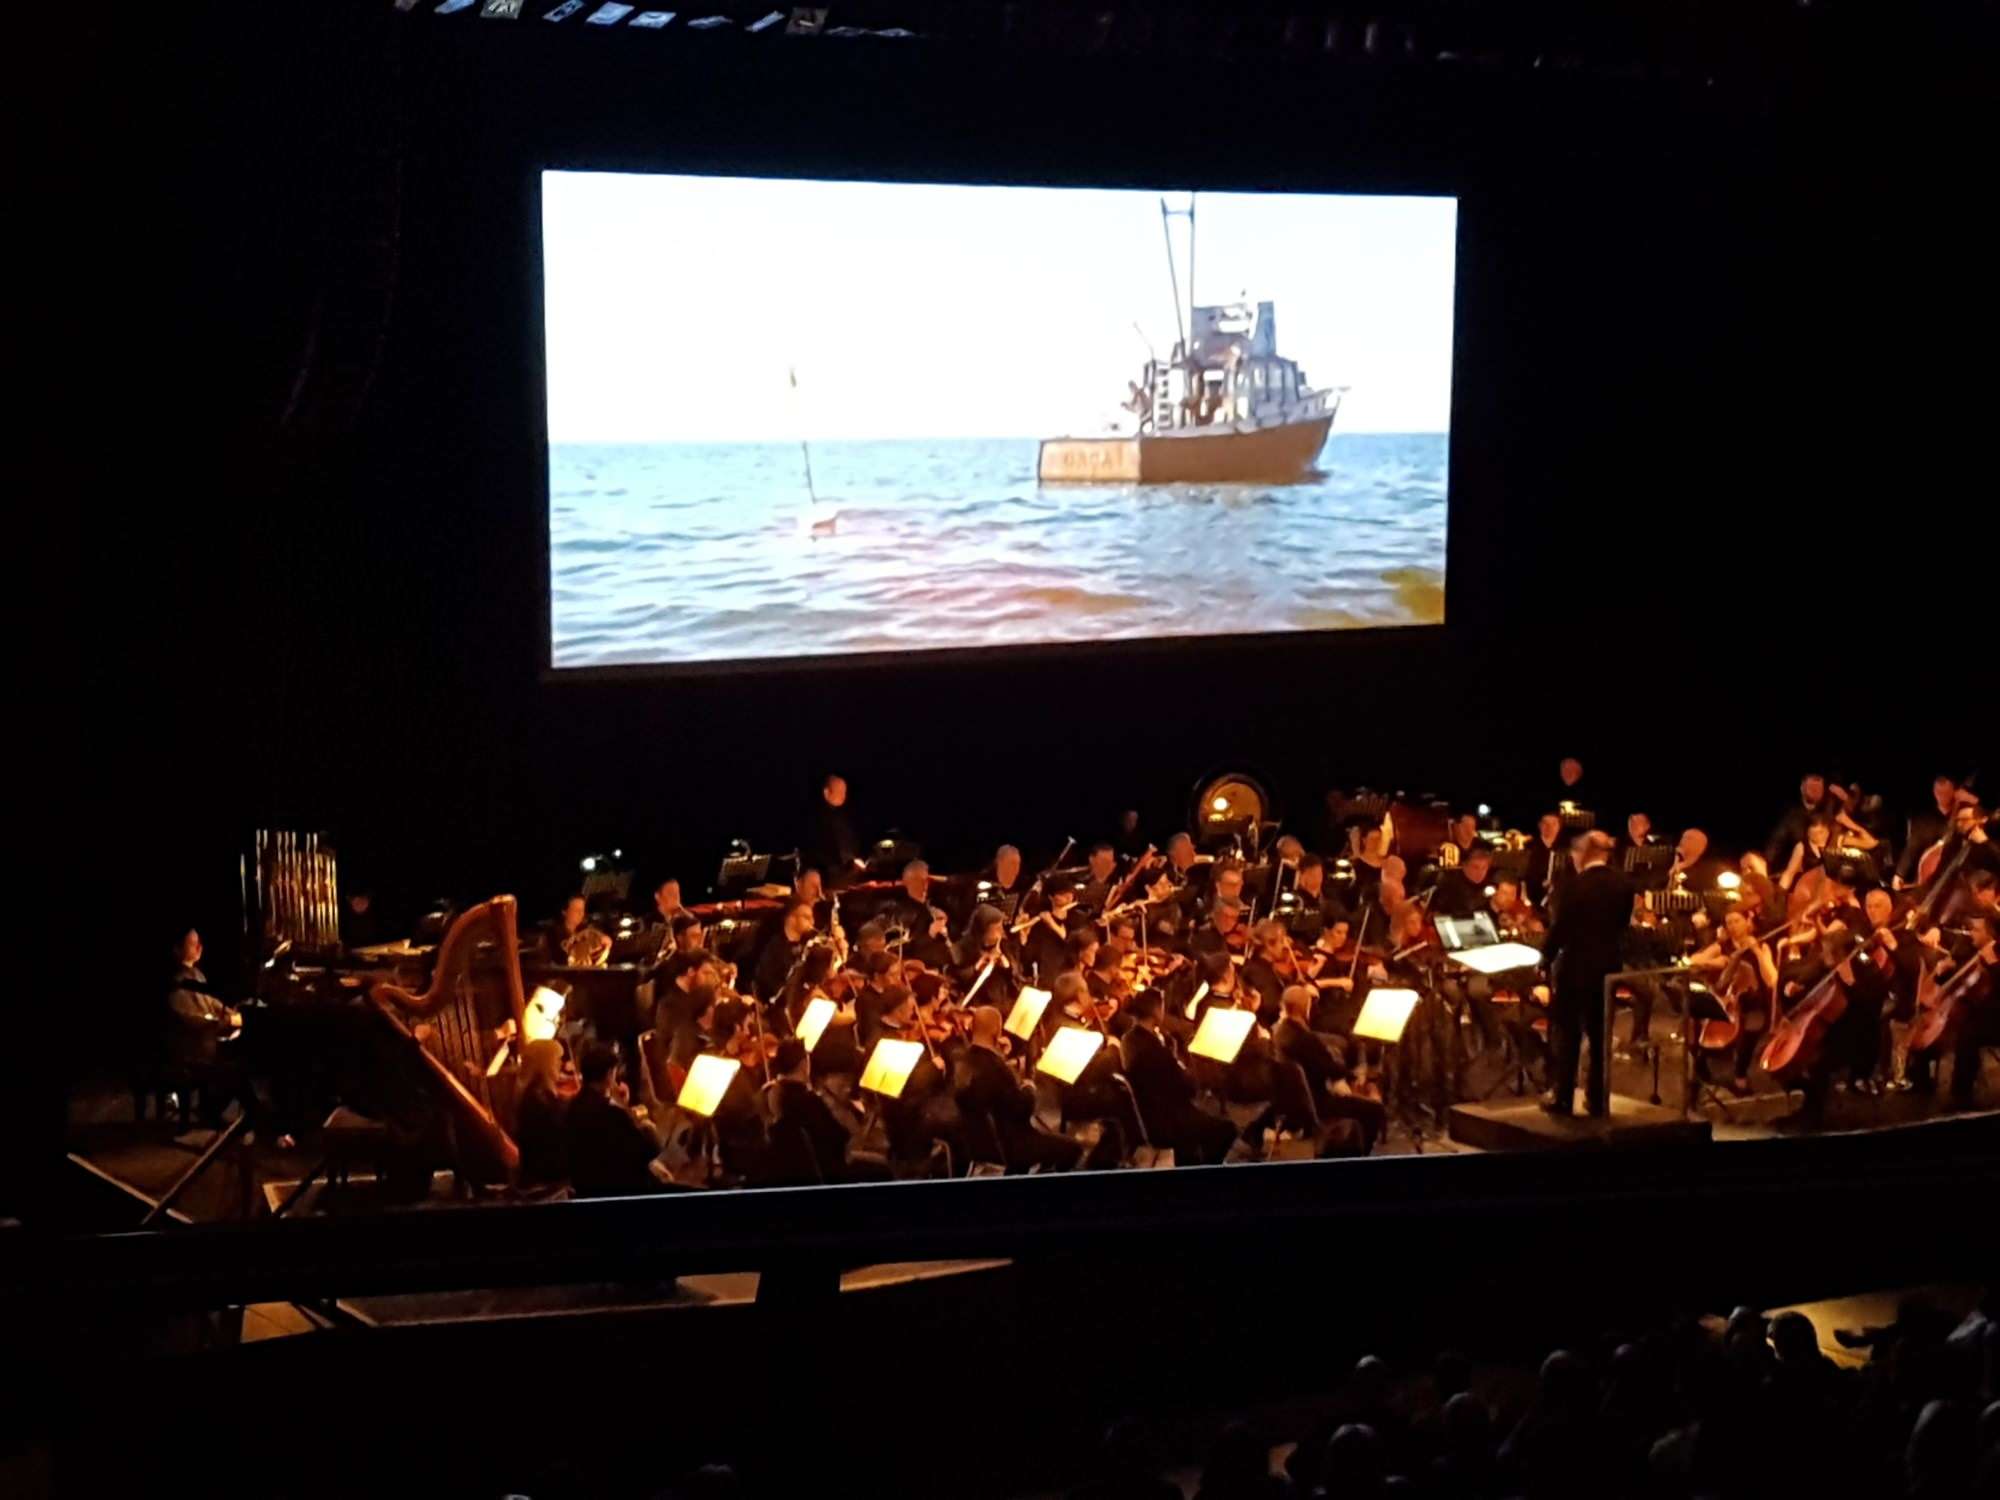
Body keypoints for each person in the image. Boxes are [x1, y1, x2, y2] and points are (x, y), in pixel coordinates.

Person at [1538, 831, 1632, 1116]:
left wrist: (1546, 957)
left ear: (1585, 853)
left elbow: (1561, 927)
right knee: (1600, 1035)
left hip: (1576, 966)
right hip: (1608, 966)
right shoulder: (1624, 884)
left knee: (1568, 1034)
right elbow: (1623, 924)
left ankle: (1563, 1096)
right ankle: (1598, 1099)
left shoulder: (1574, 887)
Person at [954, 1004, 1083, 1172]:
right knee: (1073, 1149)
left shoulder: (963, 1060)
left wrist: (1002, 1058)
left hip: (982, 1144)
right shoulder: (996, 1069)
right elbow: (1022, 1109)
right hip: (1012, 1144)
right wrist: (1029, 1086)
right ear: (996, 1031)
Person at [1119, 987, 1238, 1164]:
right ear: (1155, 1012)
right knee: (1228, 1130)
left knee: (1195, 1133)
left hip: (1146, 1117)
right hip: (1165, 1120)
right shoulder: (1156, 1051)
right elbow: (1188, 1089)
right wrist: (1180, 1061)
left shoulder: (1128, 1040)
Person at [565, 1043, 663, 1197]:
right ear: (609, 1074)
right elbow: (648, 1151)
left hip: (585, 1187)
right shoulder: (612, 1114)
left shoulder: (573, 1107)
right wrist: (646, 1126)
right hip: (617, 1189)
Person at [513, 1039, 570, 1186]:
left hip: (544, 1170)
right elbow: (558, 1131)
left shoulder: (533, 1092)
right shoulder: (537, 1099)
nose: (561, 1064)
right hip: (547, 1177)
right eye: (557, 1059)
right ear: (546, 1063)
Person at [751, 899, 816, 1003]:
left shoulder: (808, 943)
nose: (812, 922)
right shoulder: (775, 947)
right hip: (778, 1005)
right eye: (807, 917)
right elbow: (765, 982)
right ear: (791, 918)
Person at [808, 773, 863, 885]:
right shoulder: (817, 818)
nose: (843, 796)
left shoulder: (843, 815)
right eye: (840, 792)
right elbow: (822, 851)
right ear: (826, 792)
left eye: (845, 792)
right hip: (830, 876)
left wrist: (856, 859)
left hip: (850, 873)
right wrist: (844, 864)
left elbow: (851, 842)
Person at [1432, 842, 1496, 920]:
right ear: (1464, 865)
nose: (1480, 872)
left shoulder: (1491, 884)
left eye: (1484, 868)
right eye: (1475, 867)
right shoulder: (1450, 885)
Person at [1524, 812, 1568, 912]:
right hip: (1532, 902)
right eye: (1545, 823)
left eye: (1554, 824)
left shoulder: (1565, 851)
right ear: (1540, 825)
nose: (1549, 827)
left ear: (1559, 827)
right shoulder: (1529, 848)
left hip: (1557, 904)